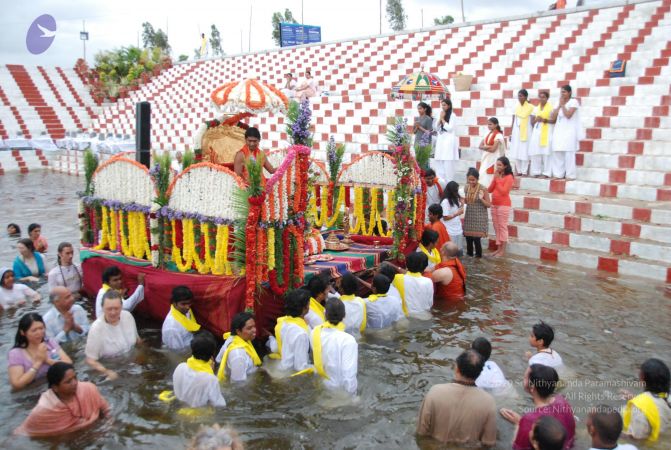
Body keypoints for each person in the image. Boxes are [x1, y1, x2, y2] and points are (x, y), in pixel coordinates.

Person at [417, 349, 497, 446]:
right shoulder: (488, 403)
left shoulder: (434, 392)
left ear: (457, 369)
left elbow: (421, 432)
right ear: (479, 374)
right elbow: (488, 443)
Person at [14, 362, 110, 437]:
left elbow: (105, 409)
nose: (74, 383)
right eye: (68, 381)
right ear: (55, 388)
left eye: (75, 378)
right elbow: (24, 432)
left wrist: (109, 425)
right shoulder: (45, 409)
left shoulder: (88, 389)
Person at [500, 364, 576, 450]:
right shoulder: (563, 402)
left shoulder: (529, 420)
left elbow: (516, 447)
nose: (523, 380)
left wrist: (518, 423)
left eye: (525, 378)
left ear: (532, 387)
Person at [8, 313, 72, 390]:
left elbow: (69, 364)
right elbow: (17, 384)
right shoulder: (16, 353)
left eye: (41, 328)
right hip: (32, 391)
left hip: (54, 386)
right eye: (34, 330)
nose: (39, 333)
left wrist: (47, 360)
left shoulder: (50, 343)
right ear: (23, 332)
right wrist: (38, 362)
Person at [85, 290, 140, 380]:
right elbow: (90, 360)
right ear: (102, 308)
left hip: (132, 362)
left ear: (121, 307)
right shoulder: (96, 329)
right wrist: (107, 371)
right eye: (109, 309)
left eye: (116, 308)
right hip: (113, 367)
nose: (113, 312)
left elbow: (138, 341)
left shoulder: (128, 316)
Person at [310, 298, 358, 395]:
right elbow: (348, 375)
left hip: (322, 386)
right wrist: (353, 398)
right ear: (344, 315)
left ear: (325, 314)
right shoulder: (348, 340)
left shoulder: (314, 333)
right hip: (341, 392)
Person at [621, 358, 671, 443]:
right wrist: (635, 399)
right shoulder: (667, 398)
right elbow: (656, 408)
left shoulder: (640, 408)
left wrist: (608, 430)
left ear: (642, 377)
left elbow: (636, 438)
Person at [172, 331, 227, 408]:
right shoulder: (211, 379)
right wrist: (211, 373)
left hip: (180, 407)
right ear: (212, 355)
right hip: (199, 413)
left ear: (192, 349)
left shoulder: (180, 367)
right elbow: (220, 405)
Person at [267, 289, 312, 373]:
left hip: (280, 369)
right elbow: (300, 367)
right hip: (290, 374)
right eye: (309, 303)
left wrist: (271, 338)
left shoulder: (282, 323)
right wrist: (318, 369)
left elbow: (277, 347)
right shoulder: (301, 334)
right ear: (305, 307)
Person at [216, 312, 261, 382]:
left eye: (254, 326)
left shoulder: (232, 338)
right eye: (249, 328)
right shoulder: (238, 354)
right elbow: (238, 383)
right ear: (238, 331)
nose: (254, 330)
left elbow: (218, 360)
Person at [550, 85, 582, 179]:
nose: (562, 94)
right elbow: (553, 117)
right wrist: (559, 105)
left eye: (564, 92)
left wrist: (563, 105)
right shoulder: (558, 102)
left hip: (570, 131)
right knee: (557, 151)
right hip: (559, 130)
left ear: (569, 92)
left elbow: (568, 115)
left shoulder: (574, 102)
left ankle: (570, 175)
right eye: (561, 92)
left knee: (569, 153)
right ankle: (558, 174)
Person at [488, 156, 514, 257]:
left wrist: (497, 179)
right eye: (497, 164)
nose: (497, 167)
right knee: (496, 227)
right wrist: (495, 179)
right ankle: (498, 249)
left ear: (505, 166)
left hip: (503, 205)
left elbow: (504, 192)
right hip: (494, 204)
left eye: (500, 165)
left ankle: (502, 250)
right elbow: (490, 189)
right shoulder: (497, 176)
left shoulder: (509, 177)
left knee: (502, 227)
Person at [463, 168, 491, 258]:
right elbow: (467, 201)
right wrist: (463, 200)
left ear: (477, 179)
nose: (471, 182)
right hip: (469, 216)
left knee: (476, 240)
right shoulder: (466, 187)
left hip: (479, 218)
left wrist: (481, 198)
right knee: (468, 239)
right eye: (469, 180)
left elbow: (488, 205)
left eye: (473, 180)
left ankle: (478, 259)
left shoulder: (483, 189)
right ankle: (469, 258)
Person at [162, 286, 201, 350]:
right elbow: (176, 352)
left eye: (189, 303)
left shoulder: (184, 311)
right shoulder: (172, 328)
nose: (187, 307)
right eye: (183, 304)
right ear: (174, 303)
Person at [432, 98, 459, 183]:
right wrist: (440, 118)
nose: (442, 107)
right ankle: (441, 183)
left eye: (444, 105)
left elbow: (450, 128)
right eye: (442, 105)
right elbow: (436, 128)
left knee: (448, 163)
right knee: (439, 162)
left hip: (449, 141)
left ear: (449, 106)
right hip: (441, 141)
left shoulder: (453, 115)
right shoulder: (440, 114)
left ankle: (449, 183)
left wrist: (443, 119)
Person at [509, 89, 535, 176]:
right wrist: (511, 133)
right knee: (516, 150)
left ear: (526, 97)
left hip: (527, 131)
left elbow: (532, 121)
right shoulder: (515, 107)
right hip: (516, 131)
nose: (519, 98)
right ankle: (519, 170)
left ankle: (524, 171)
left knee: (524, 150)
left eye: (521, 96)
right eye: (518, 96)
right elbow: (513, 120)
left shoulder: (531, 107)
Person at [529, 91, 554, 178]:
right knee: (536, 152)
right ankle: (536, 172)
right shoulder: (535, 109)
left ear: (547, 98)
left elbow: (554, 121)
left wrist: (544, 120)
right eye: (540, 97)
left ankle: (546, 173)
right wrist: (536, 119)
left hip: (547, 131)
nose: (541, 99)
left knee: (546, 153)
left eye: (543, 97)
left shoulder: (551, 108)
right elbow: (532, 122)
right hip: (537, 132)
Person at [478, 117, 506, 188]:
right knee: (482, 173)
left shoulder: (498, 135)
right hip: (486, 157)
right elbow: (480, 146)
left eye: (490, 124)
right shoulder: (487, 134)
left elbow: (493, 149)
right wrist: (488, 147)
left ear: (496, 125)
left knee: (491, 174)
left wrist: (485, 147)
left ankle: (490, 189)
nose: (489, 126)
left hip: (494, 158)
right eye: (488, 124)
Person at [440, 180, 464, 251]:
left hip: (458, 228)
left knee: (458, 250)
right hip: (449, 230)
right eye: (455, 191)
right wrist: (457, 214)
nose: (457, 193)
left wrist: (462, 204)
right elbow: (445, 217)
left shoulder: (455, 199)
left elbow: (460, 211)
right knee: (450, 251)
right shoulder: (445, 202)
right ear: (450, 191)